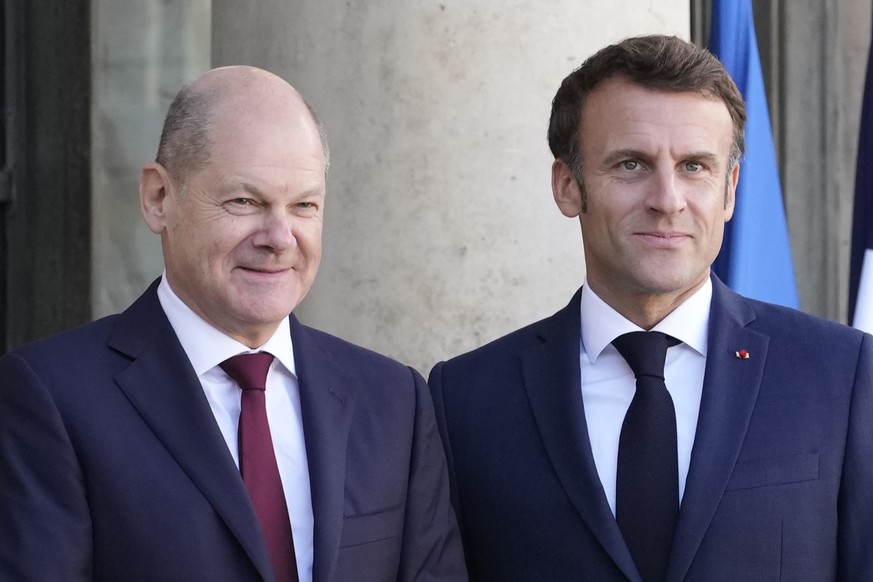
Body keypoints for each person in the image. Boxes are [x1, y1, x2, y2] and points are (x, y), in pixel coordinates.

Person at [428, 35, 873, 581]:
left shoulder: (841, 374)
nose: (667, 199)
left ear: (730, 191)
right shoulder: (465, 399)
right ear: (568, 185)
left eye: (694, 166)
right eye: (632, 164)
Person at [0, 66, 466, 582]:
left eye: (304, 205)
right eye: (245, 201)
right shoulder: (51, 396)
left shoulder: (393, 399)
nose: (279, 237)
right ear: (159, 198)